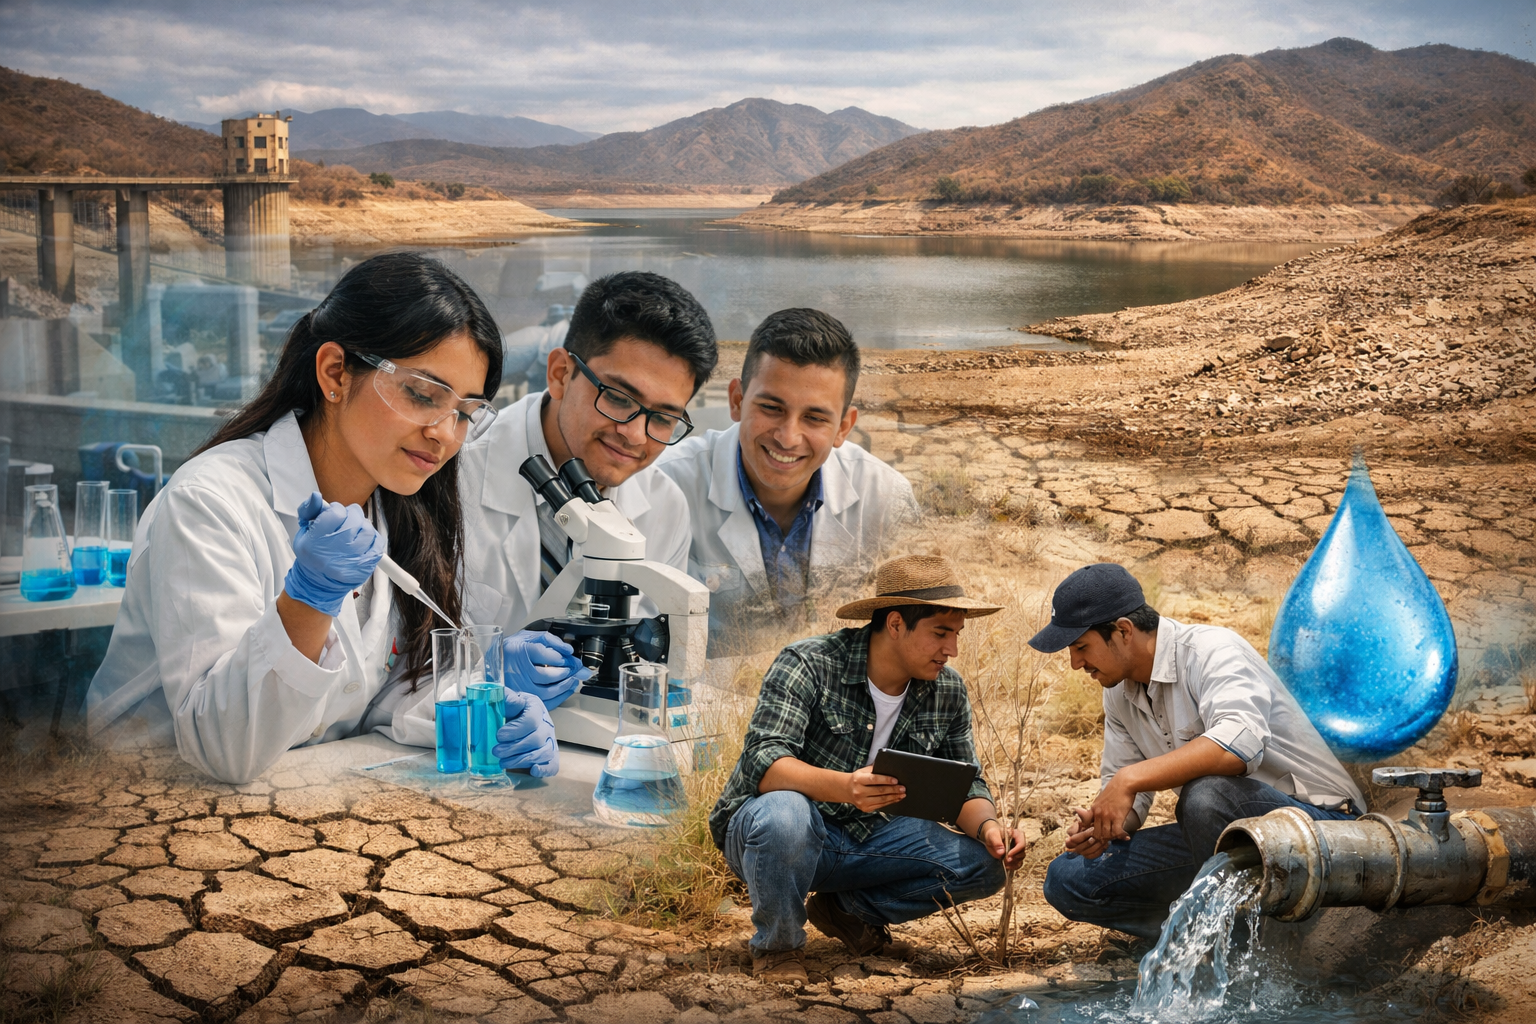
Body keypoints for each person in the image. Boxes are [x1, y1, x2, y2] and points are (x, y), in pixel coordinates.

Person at [85, 253, 573, 784]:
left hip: (297, 793)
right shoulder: (210, 502)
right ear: (335, 372)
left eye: (463, 412)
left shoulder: (395, 505)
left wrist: (485, 701)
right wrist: (307, 600)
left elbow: (379, 693)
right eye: (421, 394)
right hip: (144, 803)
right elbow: (220, 745)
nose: (443, 433)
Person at [710, 555, 1027, 983]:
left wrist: (989, 828)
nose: (951, 649)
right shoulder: (809, 663)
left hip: (867, 836)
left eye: (956, 634)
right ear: (895, 624)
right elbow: (764, 763)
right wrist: (846, 788)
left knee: (986, 865)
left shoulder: (947, 690)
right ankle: (778, 948)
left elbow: (965, 785)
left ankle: (844, 911)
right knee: (786, 812)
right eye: (940, 633)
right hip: (772, 835)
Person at [1031, 563, 1366, 947]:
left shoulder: (1212, 650)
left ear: (1123, 631)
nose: (1076, 664)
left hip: (1321, 830)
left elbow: (1238, 748)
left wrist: (1130, 780)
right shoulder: (1117, 691)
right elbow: (1129, 793)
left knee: (1206, 796)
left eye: (1080, 647)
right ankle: (1199, 941)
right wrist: (1105, 825)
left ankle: (1245, 948)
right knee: (1069, 880)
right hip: (1228, 840)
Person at [456, 271, 718, 763]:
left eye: (663, 418)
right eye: (618, 398)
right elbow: (396, 665)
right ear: (560, 374)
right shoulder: (453, 477)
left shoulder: (662, 505)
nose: (636, 436)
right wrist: (487, 671)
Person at [656, 308, 917, 654]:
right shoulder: (665, 484)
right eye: (771, 408)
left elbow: (917, 632)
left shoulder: (886, 499)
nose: (788, 437)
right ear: (737, 400)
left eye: (814, 417)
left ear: (843, 427)